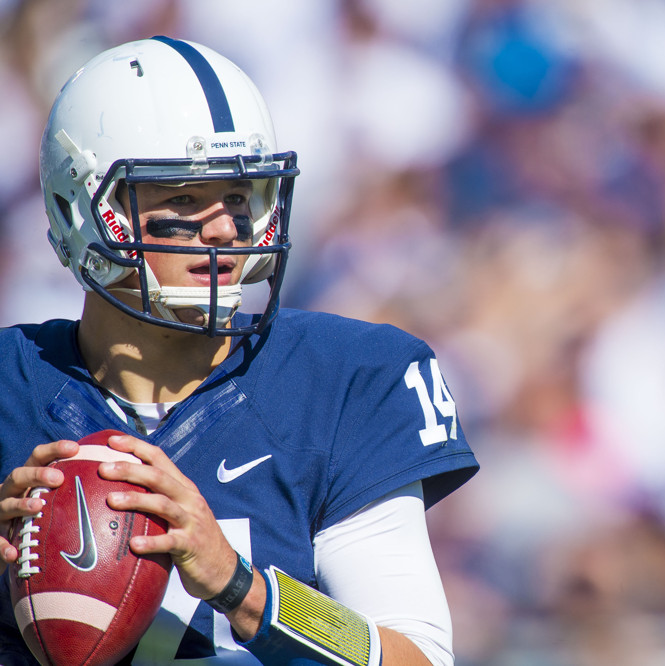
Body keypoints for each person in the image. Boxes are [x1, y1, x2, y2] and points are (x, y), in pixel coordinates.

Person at [0, 36, 478, 665]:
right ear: (84, 209)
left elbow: (418, 659)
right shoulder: (12, 385)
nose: (226, 227)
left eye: (239, 196)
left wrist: (239, 585)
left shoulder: (345, 380)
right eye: (184, 198)